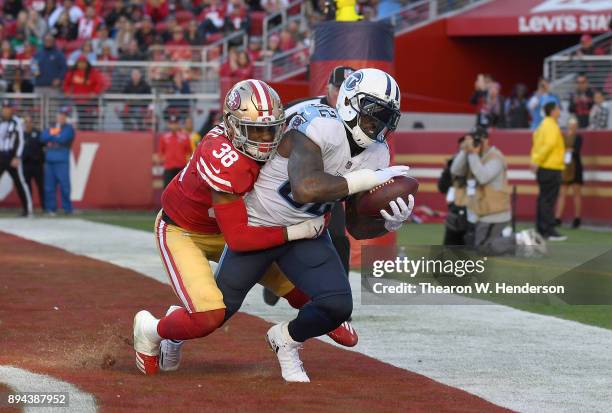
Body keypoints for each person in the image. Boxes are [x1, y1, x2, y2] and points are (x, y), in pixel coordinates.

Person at [133, 80, 344, 375]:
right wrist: (295, 232)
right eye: (255, 130)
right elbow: (240, 238)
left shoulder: (282, 143)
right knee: (208, 315)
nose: (265, 139)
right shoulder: (222, 154)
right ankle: (152, 329)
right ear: (232, 125)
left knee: (305, 292)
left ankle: (326, 315)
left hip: (236, 227)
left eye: (271, 129)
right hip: (186, 231)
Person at [213, 69, 412, 382]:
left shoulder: (378, 152)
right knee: (213, 312)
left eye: (387, 120)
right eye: (374, 117)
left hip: (306, 232)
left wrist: (387, 223)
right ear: (350, 103)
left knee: (337, 305)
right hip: (260, 225)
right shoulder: (317, 123)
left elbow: (358, 227)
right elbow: (305, 187)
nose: (379, 127)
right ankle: (165, 335)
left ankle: (286, 341)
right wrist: (363, 179)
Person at [262, 66, 355, 311]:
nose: (341, 96)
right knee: (276, 236)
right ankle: (275, 281)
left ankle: (339, 300)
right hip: (287, 180)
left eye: (347, 91)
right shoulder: (303, 107)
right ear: (328, 89)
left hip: (327, 187)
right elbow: (270, 131)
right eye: (338, 89)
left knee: (338, 239)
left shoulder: (355, 117)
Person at [451, 128, 541, 254]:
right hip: (481, 212)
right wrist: (464, 151)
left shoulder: (496, 158)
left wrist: (472, 154)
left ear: (486, 140)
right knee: (483, 247)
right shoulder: (474, 156)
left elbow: (482, 177)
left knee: (483, 249)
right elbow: (455, 170)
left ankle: (521, 239)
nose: (476, 144)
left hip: (496, 213)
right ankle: (519, 242)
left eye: (478, 140)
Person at [531, 101, 566, 241]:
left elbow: (536, 146)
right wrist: (538, 161)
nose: (559, 111)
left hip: (544, 167)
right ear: (552, 111)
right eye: (558, 109)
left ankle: (541, 228)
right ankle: (548, 230)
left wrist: (535, 161)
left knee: (543, 199)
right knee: (548, 200)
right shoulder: (551, 125)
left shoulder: (542, 125)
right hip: (551, 167)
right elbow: (549, 145)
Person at [0, 99, 33, 217]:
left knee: (20, 183)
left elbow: (21, 141)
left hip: (11, 155)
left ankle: (27, 209)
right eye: (4, 108)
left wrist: (17, 156)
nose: (6, 110)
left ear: (11, 110)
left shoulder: (16, 122)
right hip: (1, 155)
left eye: (8, 108)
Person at [41, 107, 75, 215]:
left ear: (66, 117)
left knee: (65, 186)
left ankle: (67, 208)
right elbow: (42, 137)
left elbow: (62, 138)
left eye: (64, 115)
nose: (61, 117)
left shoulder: (69, 128)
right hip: (50, 160)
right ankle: (51, 208)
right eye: (60, 114)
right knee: (49, 187)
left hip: (62, 160)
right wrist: (55, 134)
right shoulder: (53, 127)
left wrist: (52, 135)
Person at [555, 117, 583, 229]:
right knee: (562, 193)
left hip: (576, 167)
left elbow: (576, 150)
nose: (572, 127)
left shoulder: (579, 137)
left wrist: (567, 150)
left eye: (574, 125)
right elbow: (560, 149)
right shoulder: (563, 137)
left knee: (576, 193)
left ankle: (577, 218)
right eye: (571, 125)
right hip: (565, 167)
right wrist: (567, 150)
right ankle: (557, 217)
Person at [156, 115, 192, 188]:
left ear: (178, 124)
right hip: (168, 168)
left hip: (181, 169)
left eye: (175, 123)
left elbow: (189, 152)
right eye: (171, 124)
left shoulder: (185, 137)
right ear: (169, 125)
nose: (173, 126)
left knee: (181, 190)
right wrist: (161, 161)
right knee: (167, 189)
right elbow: (160, 152)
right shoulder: (164, 137)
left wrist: (188, 166)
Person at [22, 114, 45, 211]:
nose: (27, 124)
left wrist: (42, 160)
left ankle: (44, 206)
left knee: (41, 186)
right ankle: (28, 207)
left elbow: (44, 147)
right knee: (27, 187)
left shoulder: (38, 133)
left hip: (37, 164)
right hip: (26, 164)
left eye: (29, 122)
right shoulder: (21, 134)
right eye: (26, 122)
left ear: (32, 123)